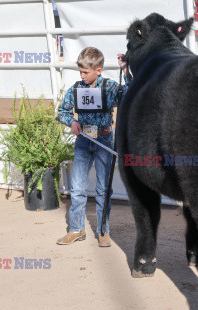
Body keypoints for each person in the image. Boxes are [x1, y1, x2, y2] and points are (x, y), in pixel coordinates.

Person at [56, 47, 131, 247]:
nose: (82, 75)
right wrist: (71, 122)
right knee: (77, 187)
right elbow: (61, 111)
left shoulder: (110, 87)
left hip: (104, 141)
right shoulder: (76, 88)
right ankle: (76, 229)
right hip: (83, 141)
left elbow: (131, 94)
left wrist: (126, 71)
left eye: (85, 72)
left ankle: (103, 231)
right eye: (80, 71)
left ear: (98, 70)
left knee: (103, 188)